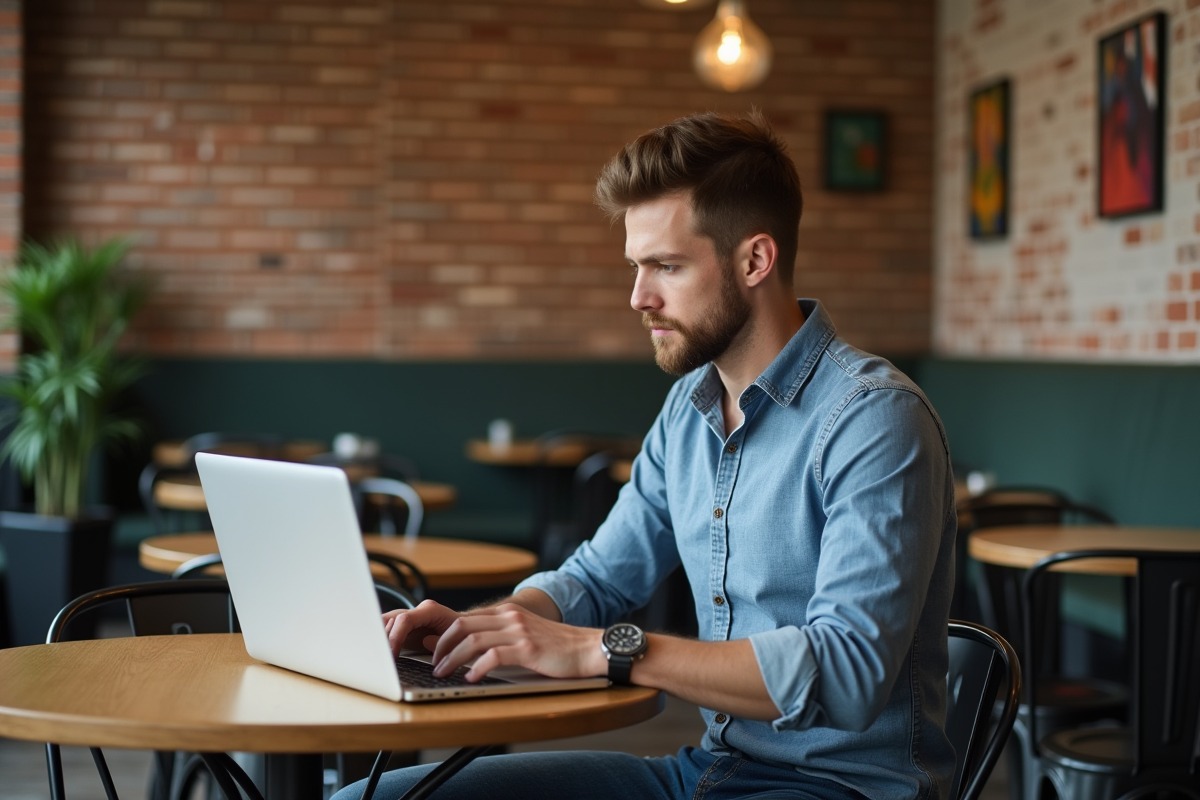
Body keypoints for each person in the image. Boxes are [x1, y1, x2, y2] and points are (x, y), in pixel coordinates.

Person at [334, 110, 956, 800]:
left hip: (845, 788)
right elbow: (601, 579)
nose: (639, 297)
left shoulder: (873, 419)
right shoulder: (687, 411)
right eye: (636, 266)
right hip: (712, 771)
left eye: (666, 266)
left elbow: (848, 672)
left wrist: (605, 649)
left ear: (755, 259)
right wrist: (484, 629)